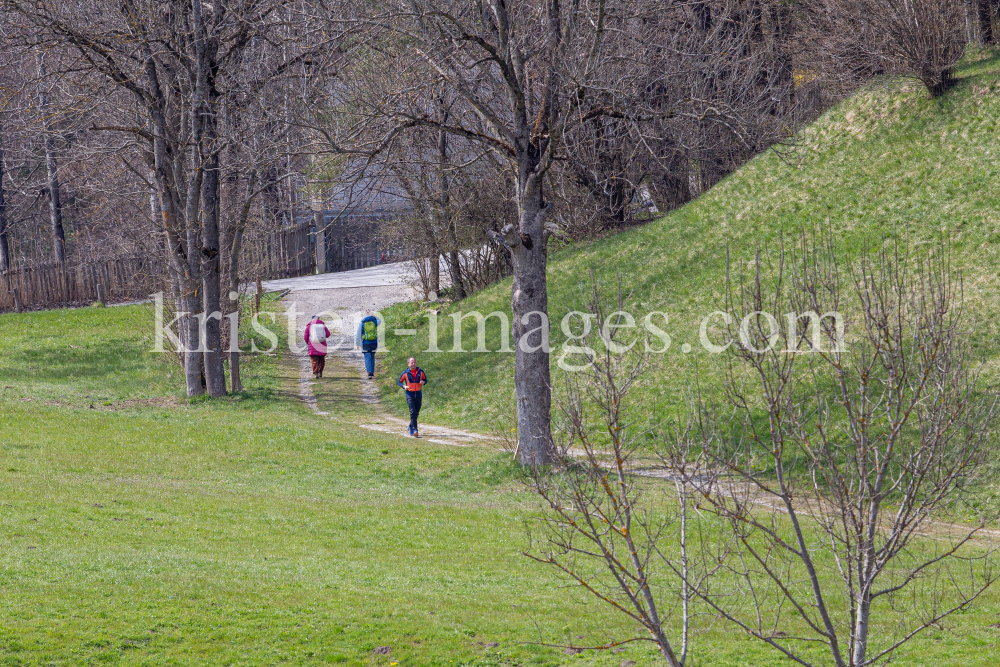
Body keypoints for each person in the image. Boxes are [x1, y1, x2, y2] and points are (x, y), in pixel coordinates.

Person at [397, 357, 427, 437]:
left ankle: (410, 426)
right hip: (409, 395)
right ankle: (414, 429)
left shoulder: (420, 371)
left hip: (418, 394)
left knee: (416, 413)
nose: (413, 364)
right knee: (412, 412)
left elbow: (425, 380)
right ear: (408, 364)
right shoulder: (405, 373)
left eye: (414, 362)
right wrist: (404, 386)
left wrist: (423, 382)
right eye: (412, 362)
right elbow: (399, 382)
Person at [355, 311, 382, 379]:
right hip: (374, 343)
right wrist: (373, 316)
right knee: (372, 357)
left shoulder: (362, 323)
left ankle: (369, 372)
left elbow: (358, 334)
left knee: (367, 357)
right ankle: (372, 372)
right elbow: (380, 320)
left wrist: (357, 343)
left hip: (365, 343)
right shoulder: (375, 322)